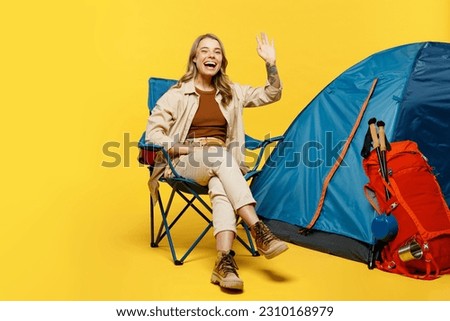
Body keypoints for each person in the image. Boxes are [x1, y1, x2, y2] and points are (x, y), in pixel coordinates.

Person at [145, 32, 288, 291]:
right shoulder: (177, 94)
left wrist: (271, 64)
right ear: (195, 58)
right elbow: (153, 134)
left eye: (217, 52)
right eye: (205, 51)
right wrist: (189, 146)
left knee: (220, 184)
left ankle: (224, 263)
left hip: (221, 166)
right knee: (220, 158)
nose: (211, 55)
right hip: (184, 163)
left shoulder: (232, 92)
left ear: (222, 60)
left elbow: (271, 94)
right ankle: (258, 228)